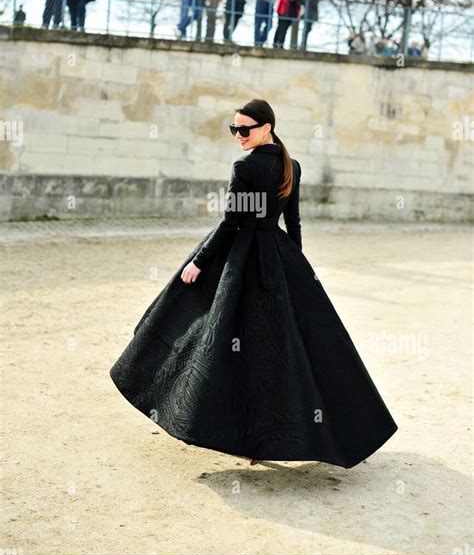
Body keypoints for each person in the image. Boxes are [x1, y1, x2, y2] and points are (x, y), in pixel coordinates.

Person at [109, 98, 398, 467]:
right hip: (277, 256)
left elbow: (232, 222)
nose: (238, 136)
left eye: (244, 129)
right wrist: (298, 266)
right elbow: (292, 222)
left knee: (206, 329)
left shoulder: (245, 166)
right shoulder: (291, 165)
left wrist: (199, 261)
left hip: (242, 257)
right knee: (281, 349)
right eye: (234, 129)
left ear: (266, 128)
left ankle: (218, 423)